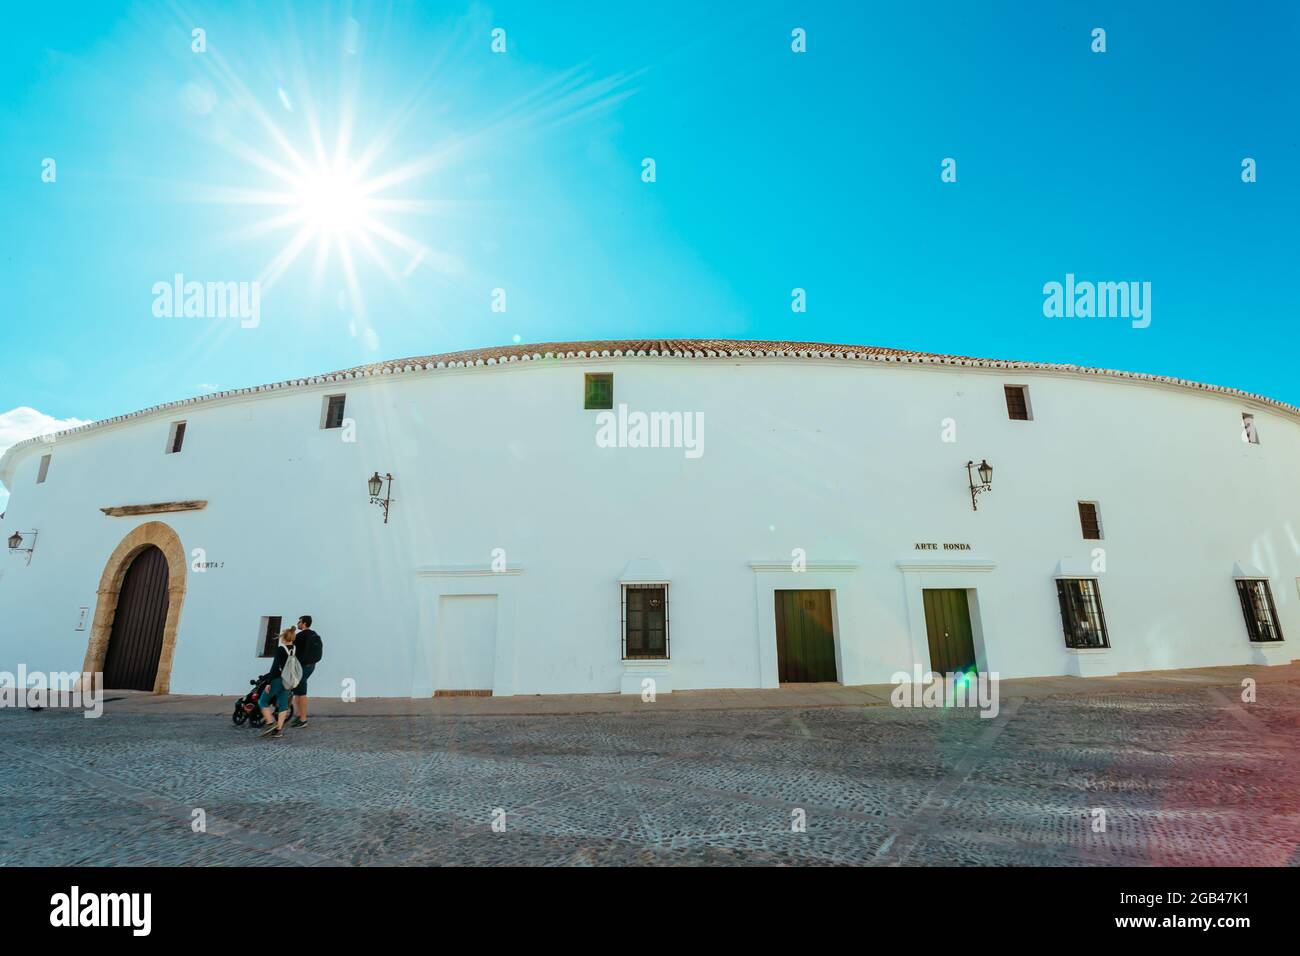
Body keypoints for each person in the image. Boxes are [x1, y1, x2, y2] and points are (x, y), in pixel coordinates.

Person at [258, 627, 298, 738]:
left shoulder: (280, 649)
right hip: (288, 681)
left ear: (283, 638)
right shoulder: (294, 648)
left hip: (277, 679)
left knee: (263, 701)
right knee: (283, 705)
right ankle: (278, 730)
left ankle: (271, 723)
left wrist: (268, 682)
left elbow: (275, 667)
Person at [290, 614, 323, 728]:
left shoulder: (300, 636)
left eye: (299, 622)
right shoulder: (314, 634)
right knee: (298, 691)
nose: (298, 624)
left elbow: (291, 647)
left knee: (301, 693)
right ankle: (299, 716)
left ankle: (303, 719)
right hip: (311, 665)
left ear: (304, 623)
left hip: (302, 666)